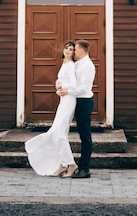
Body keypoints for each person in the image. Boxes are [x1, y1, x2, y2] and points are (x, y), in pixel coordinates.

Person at [25, 41, 78, 177]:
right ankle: (61, 165)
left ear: (74, 53)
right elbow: (61, 80)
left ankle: (71, 164)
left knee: (60, 133)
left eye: (71, 49)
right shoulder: (64, 63)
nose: (67, 51)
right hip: (64, 99)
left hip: (69, 100)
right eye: (66, 48)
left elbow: (73, 84)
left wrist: (63, 89)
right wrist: (58, 85)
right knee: (58, 132)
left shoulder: (71, 65)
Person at [57, 39, 95, 179]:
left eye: (76, 49)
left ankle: (85, 168)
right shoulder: (77, 63)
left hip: (84, 102)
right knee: (66, 131)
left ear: (82, 50)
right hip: (75, 100)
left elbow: (84, 88)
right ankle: (65, 164)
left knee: (85, 135)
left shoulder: (87, 66)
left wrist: (67, 91)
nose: (73, 51)